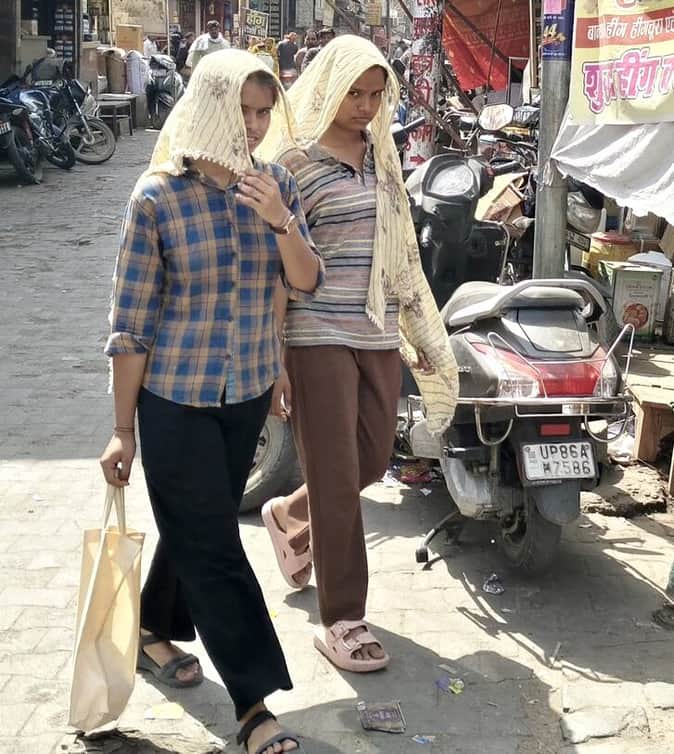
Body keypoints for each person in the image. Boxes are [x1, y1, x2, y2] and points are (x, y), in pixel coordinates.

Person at [100, 49, 323, 754]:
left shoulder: (276, 185)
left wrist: (282, 222)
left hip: (246, 393)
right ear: (208, 107)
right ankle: (253, 705)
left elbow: (302, 282)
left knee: (199, 529)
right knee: (217, 546)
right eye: (242, 111)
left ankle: (148, 627)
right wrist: (122, 429)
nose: (254, 126)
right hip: (175, 400)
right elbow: (131, 325)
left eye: (263, 112)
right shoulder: (157, 199)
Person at [258, 35, 458, 673]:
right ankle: (343, 618)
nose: (366, 107)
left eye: (376, 95)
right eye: (355, 94)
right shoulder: (295, 163)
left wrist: (416, 330)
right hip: (315, 332)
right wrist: (275, 357)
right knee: (340, 476)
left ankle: (290, 514)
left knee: (371, 459)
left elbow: (399, 250)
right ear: (328, 88)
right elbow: (276, 269)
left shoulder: (384, 157)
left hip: (375, 329)